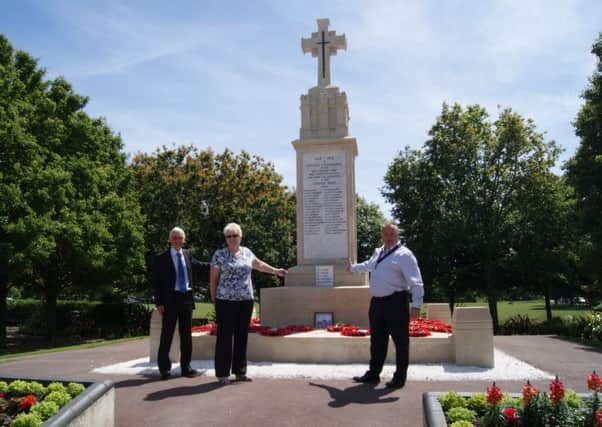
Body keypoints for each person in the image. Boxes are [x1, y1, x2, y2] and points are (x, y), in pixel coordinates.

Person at [345, 221, 424, 389]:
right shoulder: (379, 252)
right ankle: (374, 374)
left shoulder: (405, 254)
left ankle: (399, 378)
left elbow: (416, 281)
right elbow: (368, 265)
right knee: (377, 341)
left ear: (398, 236)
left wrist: (416, 304)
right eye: (385, 234)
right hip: (377, 303)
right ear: (382, 235)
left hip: (396, 301)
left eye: (392, 234)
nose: (388, 237)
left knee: (400, 342)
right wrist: (352, 268)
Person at [210, 222, 288, 385]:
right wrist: (214, 299)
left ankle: (240, 372)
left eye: (234, 236)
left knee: (241, 336)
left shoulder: (246, 252)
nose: (231, 239)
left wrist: (275, 270)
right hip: (225, 301)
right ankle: (222, 374)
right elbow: (213, 279)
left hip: (245, 301)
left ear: (240, 237)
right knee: (224, 337)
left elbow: (259, 265)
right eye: (228, 236)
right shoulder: (219, 254)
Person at [154, 226, 206, 380]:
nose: (177, 240)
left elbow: (199, 266)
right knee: (167, 335)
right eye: (174, 237)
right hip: (170, 301)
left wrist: (216, 265)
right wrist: (159, 303)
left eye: (180, 237)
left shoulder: (188, 254)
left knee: (186, 336)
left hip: (186, 300)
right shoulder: (161, 258)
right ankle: (164, 369)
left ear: (184, 239)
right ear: (169, 240)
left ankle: (186, 368)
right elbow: (158, 282)